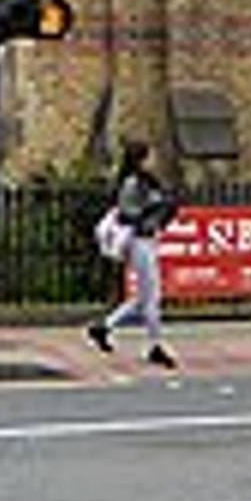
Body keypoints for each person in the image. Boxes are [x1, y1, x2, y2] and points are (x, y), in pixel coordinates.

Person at [86, 138, 181, 369]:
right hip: (139, 242)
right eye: (150, 156)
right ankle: (155, 346)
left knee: (143, 299)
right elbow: (129, 213)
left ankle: (105, 327)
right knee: (151, 298)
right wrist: (154, 210)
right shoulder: (133, 183)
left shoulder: (142, 181)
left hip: (145, 240)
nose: (154, 160)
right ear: (142, 158)